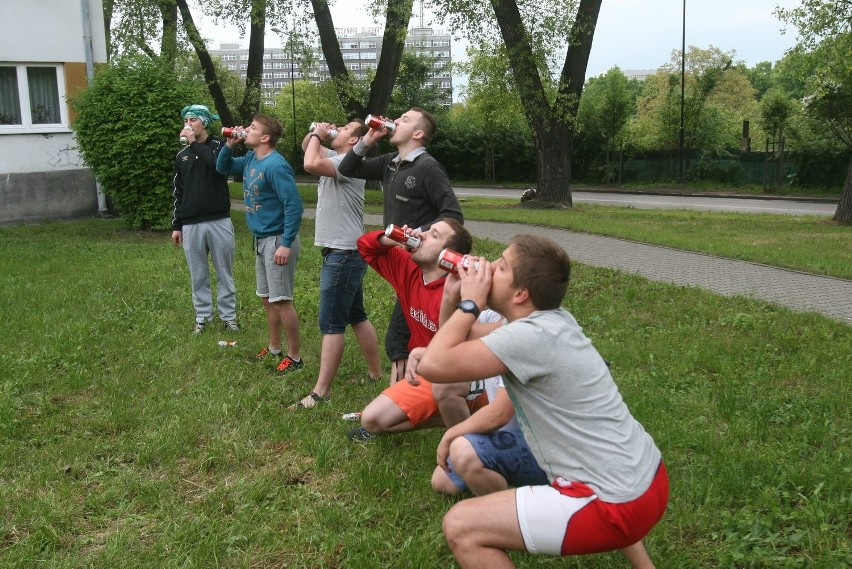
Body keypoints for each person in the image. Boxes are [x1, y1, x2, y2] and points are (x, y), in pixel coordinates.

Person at [418, 234, 669, 568]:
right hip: (649, 480)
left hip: (614, 504)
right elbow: (456, 339)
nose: (489, 267)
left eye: (501, 266)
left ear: (521, 294)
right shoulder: (549, 323)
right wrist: (453, 296)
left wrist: (471, 303)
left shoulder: (527, 339)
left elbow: (434, 366)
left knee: (461, 527)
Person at [338, 107, 464, 385]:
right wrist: (369, 139)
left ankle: (402, 398)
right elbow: (347, 169)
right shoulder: (390, 162)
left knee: (398, 335)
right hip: (398, 259)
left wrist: (414, 236)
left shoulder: (428, 167)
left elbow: (454, 216)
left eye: (404, 120)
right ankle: (411, 394)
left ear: (418, 134)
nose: (395, 121)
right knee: (406, 330)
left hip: (419, 261)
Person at [346, 219, 485, 442]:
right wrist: (392, 239)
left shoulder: (463, 290)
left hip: (462, 376)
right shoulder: (408, 268)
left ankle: (472, 420)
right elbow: (365, 246)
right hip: (426, 373)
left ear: (449, 255)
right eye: (427, 230)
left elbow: (473, 348)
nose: (422, 234)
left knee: (372, 418)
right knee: (374, 419)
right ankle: (459, 415)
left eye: (434, 235)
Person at [290, 120, 382, 409]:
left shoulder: (347, 164)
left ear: (355, 140)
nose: (338, 129)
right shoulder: (340, 157)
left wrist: (319, 133)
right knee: (357, 315)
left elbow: (309, 165)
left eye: (344, 128)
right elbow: (307, 148)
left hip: (343, 253)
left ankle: (320, 393)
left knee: (331, 324)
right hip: (346, 252)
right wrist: (317, 132)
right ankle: (376, 374)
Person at [216, 114, 305, 375]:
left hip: (277, 240)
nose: (246, 129)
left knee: (282, 300)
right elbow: (223, 168)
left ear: (265, 138)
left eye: (252, 128)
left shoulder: (276, 166)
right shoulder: (253, 159)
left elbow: (294, 206)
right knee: (267, 299)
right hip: (260, 239)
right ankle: (274, 347)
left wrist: (286, 243)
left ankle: (295, 357)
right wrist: (230, 145)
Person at [171, 104, 238, 335]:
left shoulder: (220, 147)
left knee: (224, 272)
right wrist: (177, 225)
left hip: (218, 220)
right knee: (198, 275)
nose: (187, 125)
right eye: (185, 121)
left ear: (204, 122)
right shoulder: (182, 156)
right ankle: (203, 318)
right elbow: (179, 192)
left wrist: (194, 143)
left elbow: (218, 168)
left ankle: (229, 318)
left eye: (192, 120)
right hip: (191, 223)